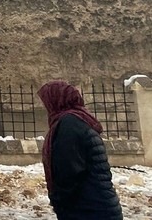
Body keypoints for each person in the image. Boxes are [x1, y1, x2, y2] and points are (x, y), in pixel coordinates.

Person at [37, 80, 123, 220]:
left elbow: (69, 169)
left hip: (88, 209)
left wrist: (59, 199)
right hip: (99, 205)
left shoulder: (69, 124)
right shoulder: (78, 118)